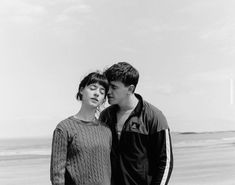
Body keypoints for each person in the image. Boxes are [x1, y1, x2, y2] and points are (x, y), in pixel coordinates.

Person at [99, 62, 173, 185]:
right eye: (108, 86)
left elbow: (165, 162)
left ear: (130, 89)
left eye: (114, 87)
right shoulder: (105, 116)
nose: (108, 92)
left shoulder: (154, 116)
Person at [50, 71, 112, 185]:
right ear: (82, 90)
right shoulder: (64, 128)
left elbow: (107, 170)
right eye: (93, 88)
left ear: (103, 100)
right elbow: (57, 175)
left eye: (102, 92)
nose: (97, 93)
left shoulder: (106, 131)